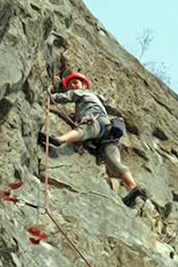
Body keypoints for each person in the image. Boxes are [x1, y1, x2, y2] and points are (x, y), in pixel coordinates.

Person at [38, 72, 146, 207]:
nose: (73, 85)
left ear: (84, 85)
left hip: (96, 121)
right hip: (108, 133)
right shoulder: (96, 98)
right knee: (115, 163)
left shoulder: (82, 92)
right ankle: (132, 187)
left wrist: (46, 95)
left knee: (84, 130)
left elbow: (64, 97)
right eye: (71, 84)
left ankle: (59, 140)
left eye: (76, 82)